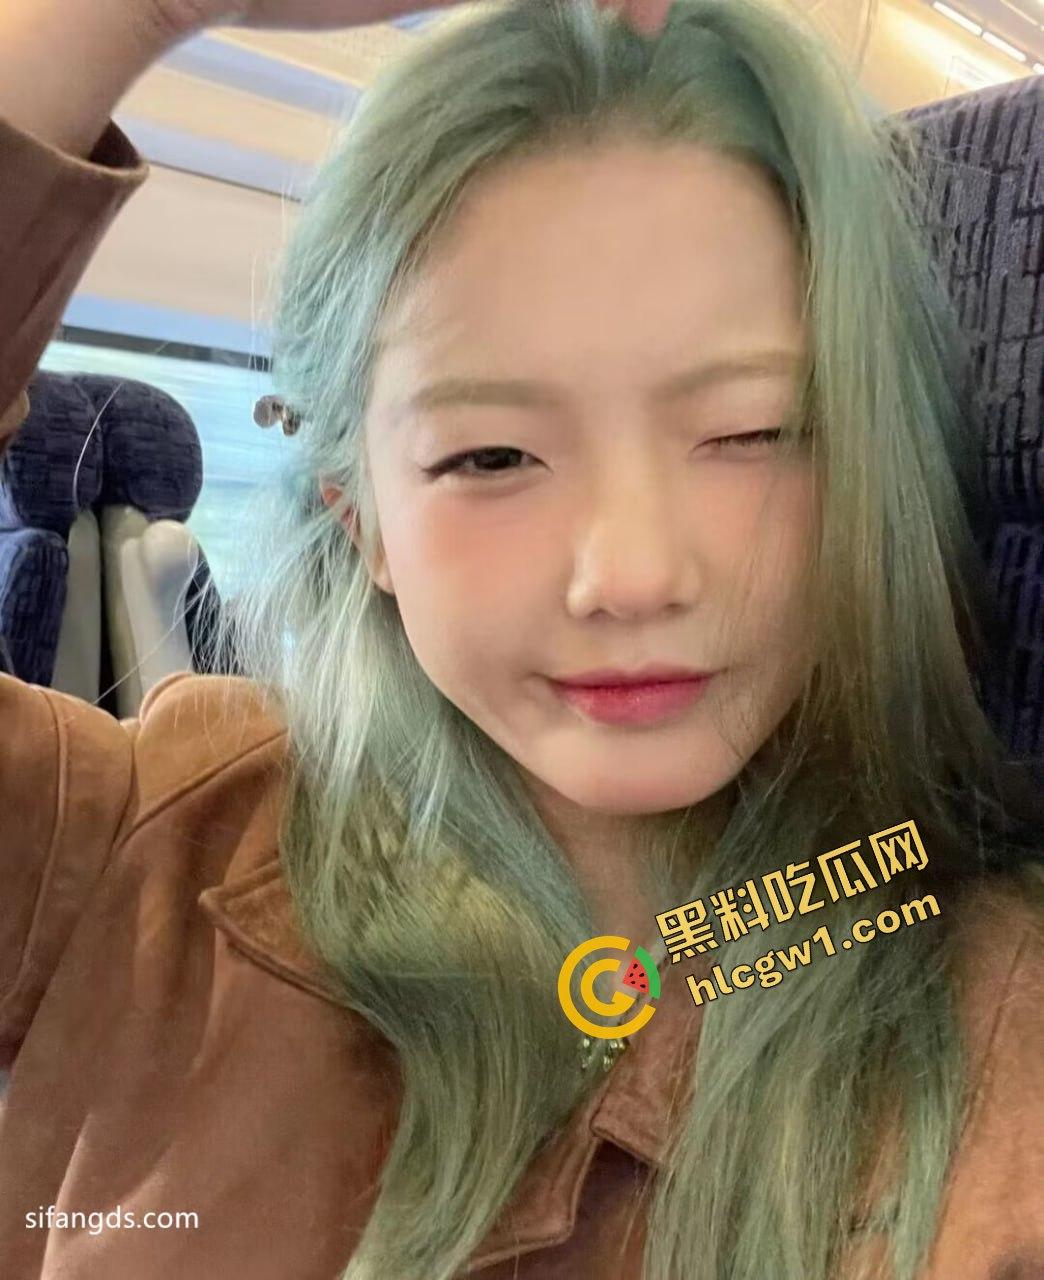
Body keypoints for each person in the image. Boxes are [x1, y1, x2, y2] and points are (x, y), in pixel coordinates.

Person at [0, 0, 1041, 1277]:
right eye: (491, 455)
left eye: (754, 432)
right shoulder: (133, 845)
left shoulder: (1007, 1037)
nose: (631, 576)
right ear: (363, 521)